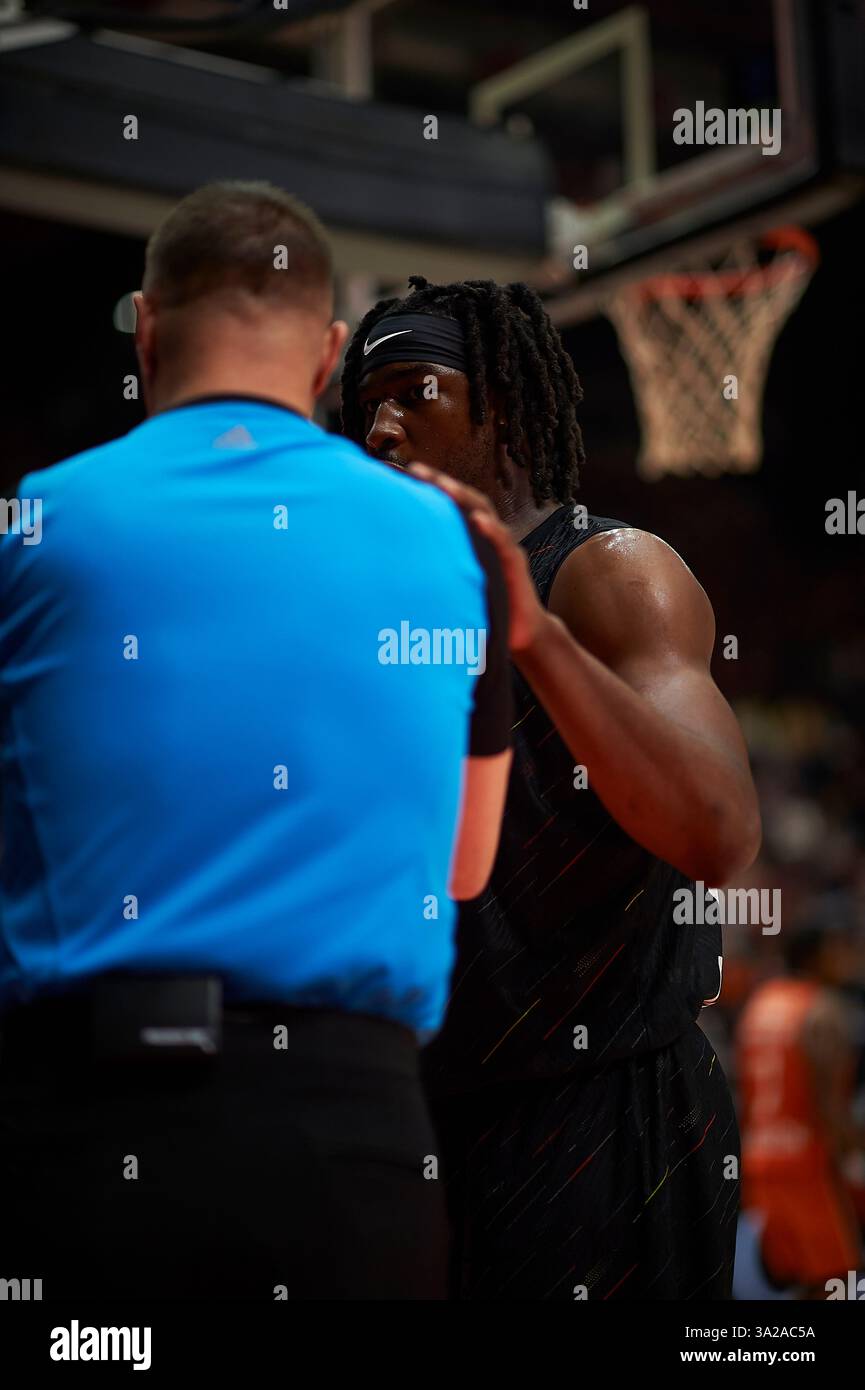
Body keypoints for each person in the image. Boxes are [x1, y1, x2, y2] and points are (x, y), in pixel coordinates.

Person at [0, 188, 513, 1301]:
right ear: (329, 354)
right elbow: (465, 868)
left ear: (145, 328)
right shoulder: (454, 544)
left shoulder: (33, 521)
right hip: (353, 1150)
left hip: (86, 1139)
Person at [340, 276, 762, 1300]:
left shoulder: (608, 571)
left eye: (416, 389)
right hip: (438, 1103)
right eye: (366, 407)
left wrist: (533, 635)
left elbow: (717, 829)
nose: (384, 426)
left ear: (504, 404)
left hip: (605, 1109)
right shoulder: (394, 606)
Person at [736, 919, 865, 1297]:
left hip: (759, 1161)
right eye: (838, 950)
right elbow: (827, 1102)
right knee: (839, 1282)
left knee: (798, 1284)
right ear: (817, 956)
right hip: (806, 1164)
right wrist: (853, 1150)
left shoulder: (760, 1004)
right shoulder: (822, 1008)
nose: (846, 959)